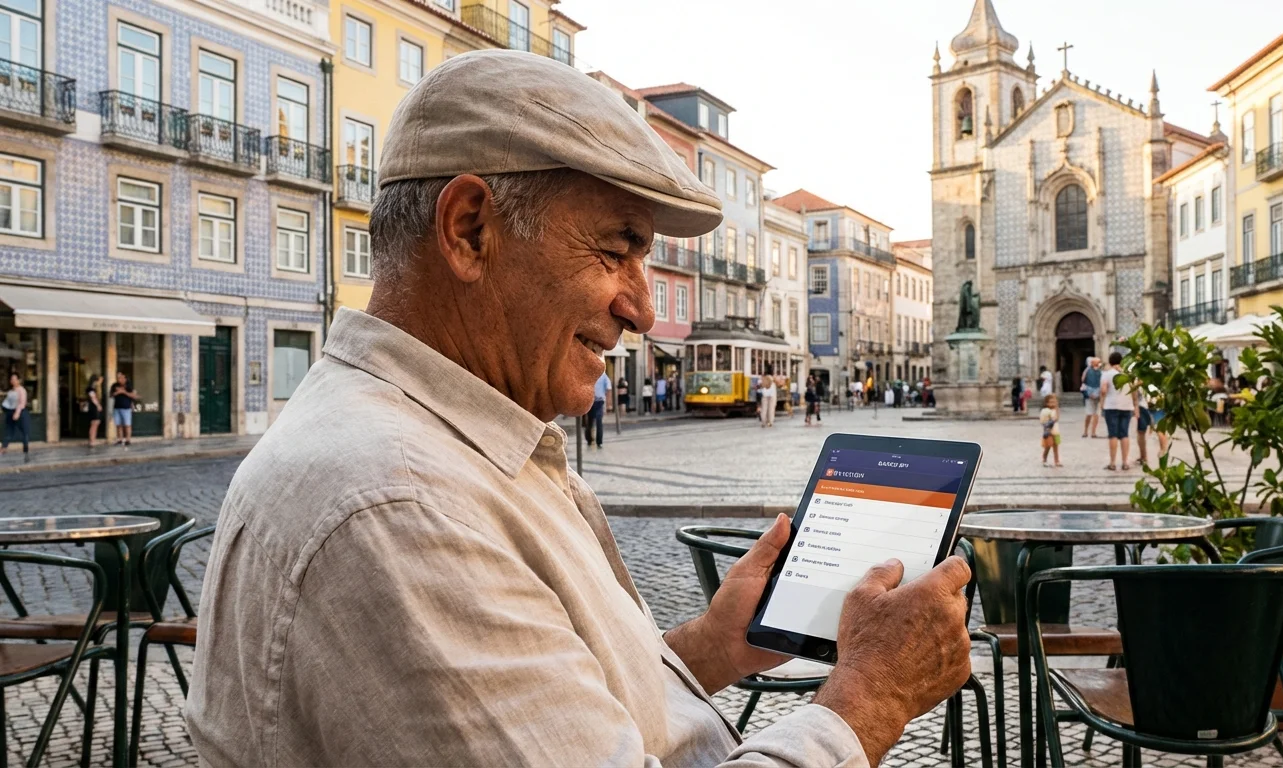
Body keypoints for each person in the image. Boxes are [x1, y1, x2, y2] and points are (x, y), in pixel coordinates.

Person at [187, 51, 972, 768]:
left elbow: (547, 718)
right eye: (616, 249)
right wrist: (871, 697)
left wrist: (707, 648)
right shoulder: (400, 504)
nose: (639, 308)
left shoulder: (449, 445)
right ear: (469, 230)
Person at [1099, 351, 1140, 470]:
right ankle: (1125, 462)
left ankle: (1112, 463)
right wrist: (1135, 405)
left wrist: (1102, 403)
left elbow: (1103, 390)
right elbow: (1134, 391)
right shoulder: (1128, 374)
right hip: (1127, 407)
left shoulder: (1106, 374)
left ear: (1110, 362)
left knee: (1113, 435)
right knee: (1124, 434)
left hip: (1111, 406)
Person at [1136, 384, 1170, 464]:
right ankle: (1163, 453)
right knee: (1160, 429)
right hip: (1156, 403)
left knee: (1142, 431)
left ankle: (1144, 456)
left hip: (1146, 404)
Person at [1, 372, 29, 458]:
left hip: (20, 413)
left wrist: (17, 413)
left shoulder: (22, 390)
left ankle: (25, 451)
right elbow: (7, 399)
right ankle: (3, 448)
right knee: (9, 431)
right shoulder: (11, 391)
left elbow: (22, 403)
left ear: (19, 380)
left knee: (24, 432)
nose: (13, 381)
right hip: (10, 412)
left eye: (15, 379)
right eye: (11, 379)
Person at [110, 371, 140, 448]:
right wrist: (117, 393)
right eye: (118, 377)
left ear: (125, 378)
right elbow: (111, 395)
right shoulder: (114, 385)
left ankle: (128, 440)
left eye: (121, 377)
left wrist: (123, 392)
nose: (119, 379)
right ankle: (120, 439)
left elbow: (133, 396)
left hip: (126, 408)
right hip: (117, 408)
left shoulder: (129, 386)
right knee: (118, 425)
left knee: (127, 425)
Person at [1080, 357, 1103, 438]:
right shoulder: (1087, 370)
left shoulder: (1101, 372)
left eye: (1099, 362)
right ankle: (1085, 431)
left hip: (1098, 395)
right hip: (1089, 394)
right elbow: (1083, 380)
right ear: (1092, 363)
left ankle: (1093, 432)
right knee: (1089, 414)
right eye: (1096, 363)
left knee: (1096, 414)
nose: (1098, 364)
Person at [1039, 393, 1062, 468]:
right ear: (1046, 403)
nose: (1053, 404)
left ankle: (1057, 461)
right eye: (1051, 402)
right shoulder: (1045, 411)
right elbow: (1044, 421)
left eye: (1054, 402)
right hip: (1048, 431)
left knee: (1056, 446)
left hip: (1055, 431)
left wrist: (1057, 408)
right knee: (1048, 446)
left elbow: (1057, 418)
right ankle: (1044, 459)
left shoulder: (1055, 410)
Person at [586, 371, 608, 447]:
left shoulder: (589, 374)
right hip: (598, 401)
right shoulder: (603, 375)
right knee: (598, 421)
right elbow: (608, 387)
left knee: (591, 421)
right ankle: (598, 442)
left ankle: (590, 440)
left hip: (592, 401)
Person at [84, 374, 103, 448]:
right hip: (93, 407)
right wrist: (98, 405)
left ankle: (93, 440)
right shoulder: (90, 388)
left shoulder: (95, 388)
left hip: (95, 407)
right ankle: (92, 441)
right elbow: (93, 398)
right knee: (94, 424)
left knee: (96, 423)